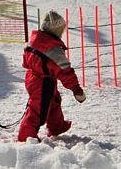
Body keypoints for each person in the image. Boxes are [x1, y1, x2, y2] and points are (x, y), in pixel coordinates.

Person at [18, 11, 85, 142]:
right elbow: (65, 71)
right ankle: (25, 137)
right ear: (55, 30)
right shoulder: (52, 49)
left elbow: (25, 62)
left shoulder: (34, 39)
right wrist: (76, 89)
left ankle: (57, 126)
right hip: (42, 82)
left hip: (33, 77)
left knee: (54, 101)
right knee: (38, 110)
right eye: (60, 30)